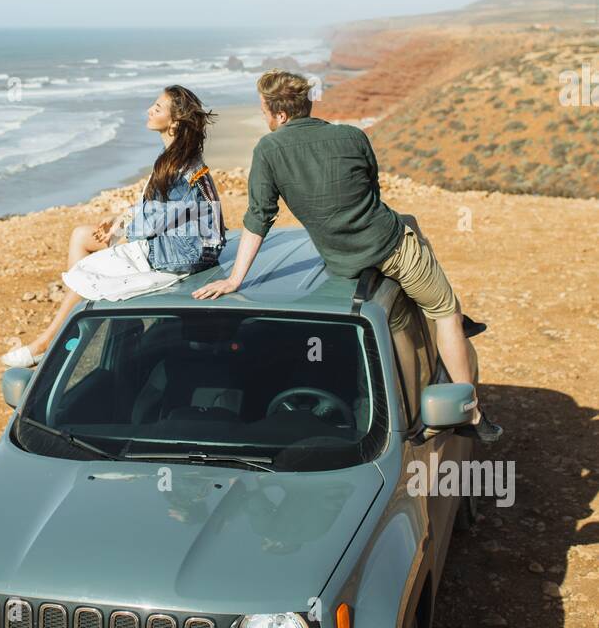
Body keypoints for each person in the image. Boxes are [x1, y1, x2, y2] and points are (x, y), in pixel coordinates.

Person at [191, 69, 503, 443]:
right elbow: (372, 189)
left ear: (279, 114)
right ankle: (469, 412)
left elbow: (259, 216)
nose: (264, 117)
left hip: (343, 260)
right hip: (391, 248)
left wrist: (235, 279)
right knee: (446, 312)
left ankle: (440, 324)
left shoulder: (269, 150)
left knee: (410, 223)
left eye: (264, 110)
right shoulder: (352, 136)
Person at [1, 85, 225, 366]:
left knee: (86, 269)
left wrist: (123, 228)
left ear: (175, 123)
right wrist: (120, 221)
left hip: (180, 254)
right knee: (82, 235)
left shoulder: (178, 166)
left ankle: (46, 342)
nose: (149, 110)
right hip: (179, 243)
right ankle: (78, 324)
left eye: (157, 108)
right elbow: (161, 213)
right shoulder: (176, 158)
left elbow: (155, 221)